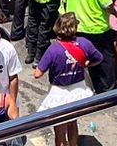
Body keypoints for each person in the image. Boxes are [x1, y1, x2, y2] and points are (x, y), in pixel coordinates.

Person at [34, 12, 105, 146]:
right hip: (78, 90)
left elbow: (38, 74)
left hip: (59, 92)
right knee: (73, 122)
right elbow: (99, 58)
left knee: (59, 128)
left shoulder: (53, 49)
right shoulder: (84, 43)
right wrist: (86, 64)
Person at [63, 0, 117, 91]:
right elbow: (106, 4)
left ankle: (87, 88)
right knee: (105, 61)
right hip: (97, 28)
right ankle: (106, 91)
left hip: (78, 27)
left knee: (84, 59)